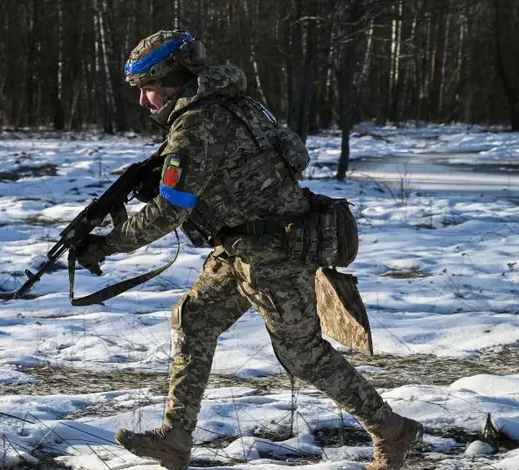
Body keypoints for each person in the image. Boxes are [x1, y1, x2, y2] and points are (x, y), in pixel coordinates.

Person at [74, 30, 423, 470]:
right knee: (195, 319)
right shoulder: (236, 103)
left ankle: (392, 430)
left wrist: (108, 245)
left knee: (303, 354)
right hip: (241, 246)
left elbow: (170, 211)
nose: (144, 101)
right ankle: (176, 436)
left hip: (276, 253)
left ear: (175, 78)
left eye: (148, 88)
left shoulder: (199, 122)